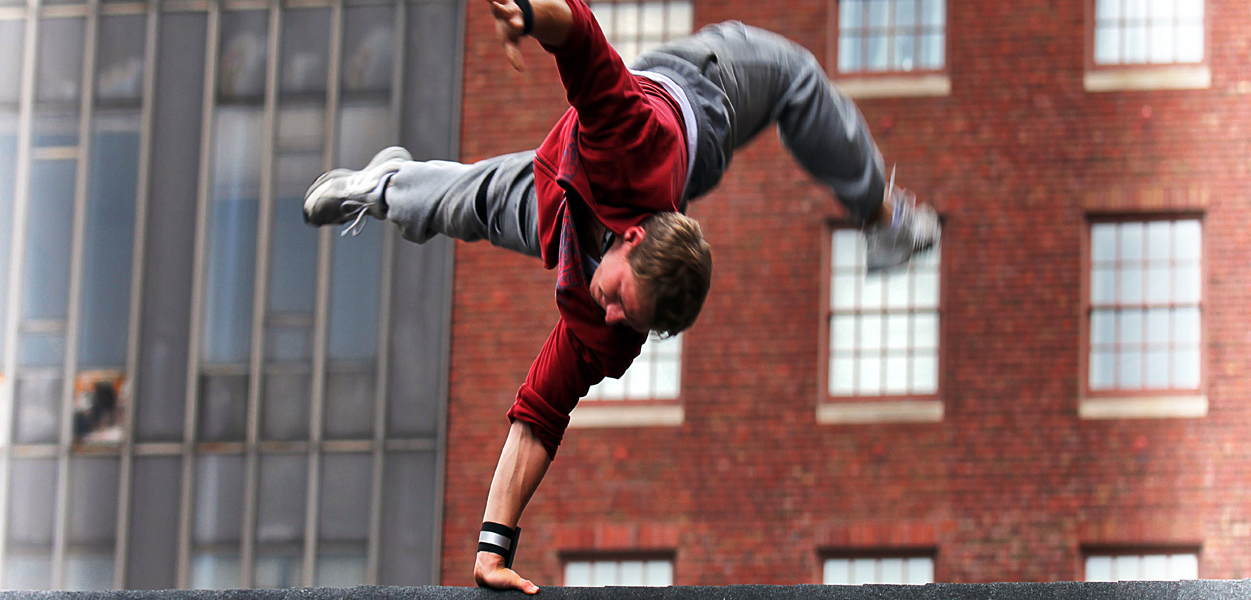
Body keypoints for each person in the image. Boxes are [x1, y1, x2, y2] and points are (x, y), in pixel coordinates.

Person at [302, 0, 940, 592]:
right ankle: (885, 214)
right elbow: (577, 32)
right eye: (616, 299)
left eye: (622, 318)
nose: (605, 315)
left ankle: (385, 184)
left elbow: (539, 416)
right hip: (705, 93)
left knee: (469, 201)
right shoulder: (627, 139)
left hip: (559, 202)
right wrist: (527, 13)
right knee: (798, 75)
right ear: (631, 239)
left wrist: (492, 550)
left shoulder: (612, 329)